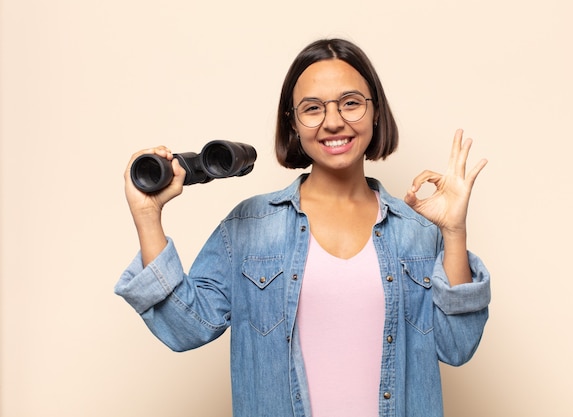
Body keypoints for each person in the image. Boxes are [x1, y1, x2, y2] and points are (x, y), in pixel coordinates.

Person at [115, 38, 491, 417]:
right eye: (312, 108)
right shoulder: (250, 228)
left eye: (351, 103)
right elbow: (185, 328)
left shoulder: (416, 232)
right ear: (292, 123)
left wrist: (454, 232)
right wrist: (148, 218)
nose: (333, 121)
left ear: (375, 112)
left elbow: (457, 346)